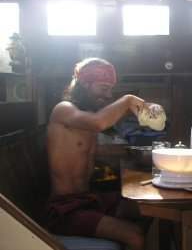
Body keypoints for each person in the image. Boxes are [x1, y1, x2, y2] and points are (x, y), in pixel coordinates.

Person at [45, 57, 165, 250]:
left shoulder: (88, 113)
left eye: (111, 88)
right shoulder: (63, 110)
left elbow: (115, 116)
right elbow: (99, 122)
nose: (109, 95)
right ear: (84, 83)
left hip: (89, 199)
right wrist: (127, 99)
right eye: (103, 88)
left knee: (151, 209)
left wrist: (147, 107)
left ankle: (120, 239)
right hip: (65, 209)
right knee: (135, 237)